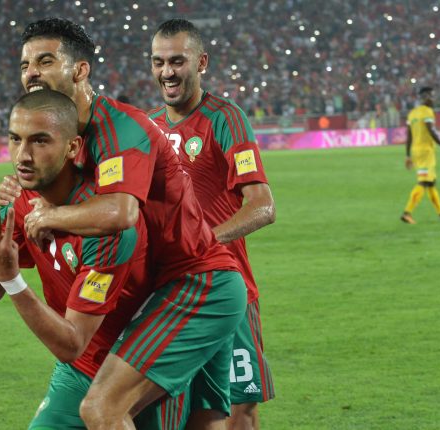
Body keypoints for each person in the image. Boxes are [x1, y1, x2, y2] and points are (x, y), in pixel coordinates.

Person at [0, 18, 246, 428]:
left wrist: (48, 216)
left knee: (103, 409)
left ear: (80, 70)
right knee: (203, 422)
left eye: (45, 61)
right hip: (164, 290)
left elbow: (120, 213)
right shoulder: (66, 137)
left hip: (194, 283)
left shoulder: (117, 128)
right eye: (25, 65)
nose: (32, 73)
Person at [0, 89, 157, 428]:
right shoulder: (18, 201)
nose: (23, 155)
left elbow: (71, 342)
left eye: (40, 141)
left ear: (72, 147)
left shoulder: (106, 228)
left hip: (134, 369)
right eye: (15, 139)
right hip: (78, 370)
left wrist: (13, 279)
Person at [147, 19, 276, 430]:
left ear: (201, 63)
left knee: (239, 408)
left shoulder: (225, 118)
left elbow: (263, 206)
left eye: (177, 61)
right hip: (168, 292)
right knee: (175, 410)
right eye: (159, 62)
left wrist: (202, 242)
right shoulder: (146, 127)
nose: (167, 72)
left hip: (226, 287)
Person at [400, 86, 440, 224]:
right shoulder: (428, 112)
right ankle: (407, 213)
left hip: (416, 151)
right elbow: (432, 131)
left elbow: (409, 136)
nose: (433, 99)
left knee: (431, 183)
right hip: (426, 152)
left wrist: (408, 155)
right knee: (423, 182)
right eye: (431, 96)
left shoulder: (412, 113)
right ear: (425, 97)